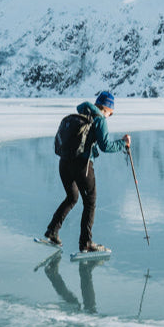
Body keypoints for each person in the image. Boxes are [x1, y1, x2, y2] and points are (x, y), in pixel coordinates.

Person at [43, 90, 130, 252]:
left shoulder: (80, 115)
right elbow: (105, 146)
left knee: (72, 197)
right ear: (106, 108)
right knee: (90, 202)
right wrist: (123, 143)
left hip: (64, 163)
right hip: (82, 165)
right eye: (111, 113)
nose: (109, 116)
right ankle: (86, 243)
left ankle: (52, 231)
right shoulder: (99, 119)